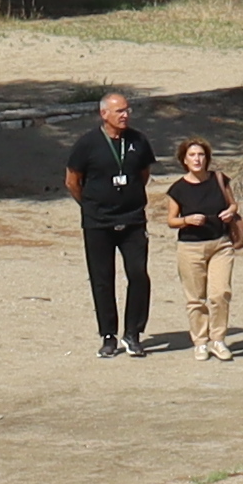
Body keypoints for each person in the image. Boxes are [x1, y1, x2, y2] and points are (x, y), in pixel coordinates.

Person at [64, 84, 159, 356]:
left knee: (138, 275)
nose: (125, 115)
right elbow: (72, 181)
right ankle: (108, 335)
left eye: (127, 110)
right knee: (102, 278)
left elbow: (143, 174)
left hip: (132, 219)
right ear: (104, 113)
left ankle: (133, 333)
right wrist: (92, 204)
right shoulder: (87, 144)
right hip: (98, 222)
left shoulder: (138, 141)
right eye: (119, 111)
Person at [163, 133, 243, 361]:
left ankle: (218, 340)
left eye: (201, 155)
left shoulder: (220, 179)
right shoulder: (178, 189)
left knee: (220, 293)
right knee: (195, 298)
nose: (197, 159)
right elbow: (171, 220)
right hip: (190, 247)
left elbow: (232, 203)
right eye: (192, 155)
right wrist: (186, 220)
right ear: (184, 160)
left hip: (220, 244)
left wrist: (231, 211)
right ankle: (200, 342)